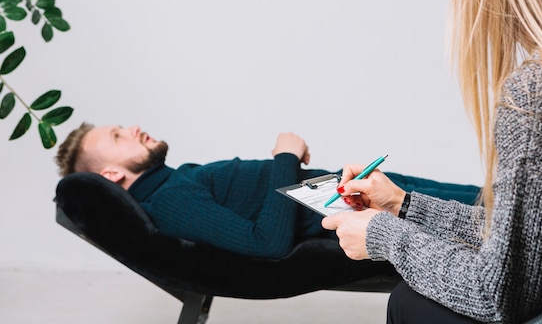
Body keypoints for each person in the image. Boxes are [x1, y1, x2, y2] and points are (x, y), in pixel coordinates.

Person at [322, 0, 542, 323]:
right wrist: (403, 206)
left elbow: (500, 295)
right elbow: (526, 239)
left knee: (410, 302)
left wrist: (384, 237)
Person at [54, 122, 480, 259]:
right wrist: (285, 155)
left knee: (492, 202)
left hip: (354, 190)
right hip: (355, 209)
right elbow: (268, 244)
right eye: (117, 135)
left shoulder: (172, 180)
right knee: (493, 213)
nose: (132, 128)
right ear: (111, 173)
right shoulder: (166, 200)